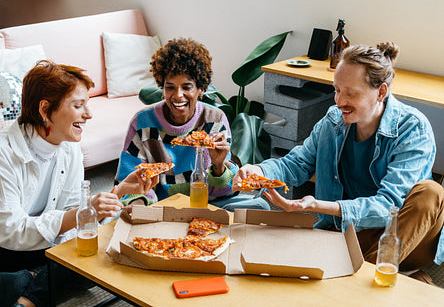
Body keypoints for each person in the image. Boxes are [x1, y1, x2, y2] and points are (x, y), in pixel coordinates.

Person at [0, 61, 157, 307]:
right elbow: (11, 231)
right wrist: (79, 216)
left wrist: (119, 192)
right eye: (78, 106)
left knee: (94, 248)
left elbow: (72, 219)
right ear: (45, 109)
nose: (88, 115)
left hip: (27, 245)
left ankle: (27, 298)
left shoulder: (70, 149)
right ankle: (41, 280)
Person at [233, 42, 444, 281]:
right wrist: (258, 170)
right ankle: (393, 278)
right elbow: (296, 164)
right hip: (348, 232)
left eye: (351, 93)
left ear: (381, 92)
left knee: (431, 192)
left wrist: (317, 206)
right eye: (337, 90)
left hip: (404, 237)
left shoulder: (413, 129)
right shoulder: (333, 120)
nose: (339, 101)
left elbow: (388, 206)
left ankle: (366, 278)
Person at [115, 37, 270, 211]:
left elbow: (225, 189)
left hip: (210, 203)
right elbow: (128, 182)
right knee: (120, 213)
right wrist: (140, 208)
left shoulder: (215, 120)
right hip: (163, 206)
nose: (178, 95)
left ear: (201, 89)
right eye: (170, 87)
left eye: (187, 87)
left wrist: (218, 165)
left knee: (260, 206)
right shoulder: (142, 123)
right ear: (162, 87)